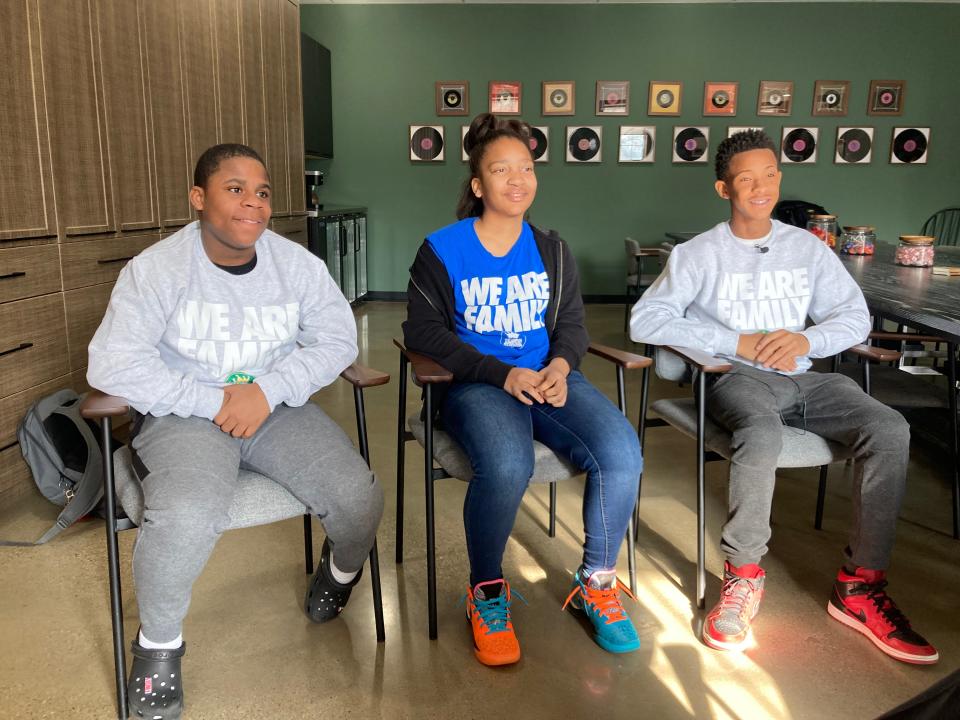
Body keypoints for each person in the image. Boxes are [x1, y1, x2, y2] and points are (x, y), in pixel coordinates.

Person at [87, 143, 384, 718]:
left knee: (358, 494)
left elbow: (337, 341)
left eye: (263, 192)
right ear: (198, 198)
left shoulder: (296, 265)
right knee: (190, 510)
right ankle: (158, 647)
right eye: (235, 189)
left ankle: (339, 571)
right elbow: (113, 363)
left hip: (275, 410)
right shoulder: (157, 269)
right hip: (184, 416)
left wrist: (266, 392)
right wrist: (213, 399)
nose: (253, 203)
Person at [630, 130, 938, 664]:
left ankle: (861, 587)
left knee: (890, 428)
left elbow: (854, 316)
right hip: (738, 378)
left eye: (769, 174)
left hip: (809, 378)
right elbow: (645, 319)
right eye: (746, 178)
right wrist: (736, 341)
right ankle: (743, 577)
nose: (760, 187)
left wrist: (808, 339)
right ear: (723, 186)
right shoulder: (698, 254)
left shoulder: (805, 248)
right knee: (761, 433)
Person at [403, 113, 643, 666]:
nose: (518, 179)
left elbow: (573, 325)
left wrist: (560, 366)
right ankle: (486, 592)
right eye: (501, 169)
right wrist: (499, 373)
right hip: (475, 386)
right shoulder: (442, 249)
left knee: (621, 452)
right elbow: (424, 331)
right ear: (478, 184)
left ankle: (597, 582)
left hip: (548, 379)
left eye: (527, 168)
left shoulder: (552, 250)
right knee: (509, 464)